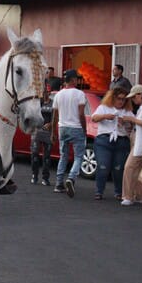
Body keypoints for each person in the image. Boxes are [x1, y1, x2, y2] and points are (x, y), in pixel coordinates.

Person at [91, 87, 135, 200]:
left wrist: (127, 121)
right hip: (104, 140)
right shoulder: (104, 107)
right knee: (103, 166)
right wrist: (105, 116)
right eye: (118, 98)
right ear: (112, 98)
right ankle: (99, 191)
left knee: (118, 168)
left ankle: (118, 192)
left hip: (121, 140)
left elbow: (134, 125)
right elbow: (94, 118)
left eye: (123, 99)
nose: (121, 101)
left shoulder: (127, 111)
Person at [51, 69, 86, 198]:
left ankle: (58, 184)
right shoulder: (79, 94)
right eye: (76, 78)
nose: (77, 80)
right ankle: (71, 178)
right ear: (72, 80)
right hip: (76, 127)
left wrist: (53, 132)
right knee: (78, 156)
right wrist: (84, 128)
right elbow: (81, 114)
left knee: (63, 155)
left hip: (62, 127)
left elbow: (55, 115)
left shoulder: (58, 95)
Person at [121, 85, 142, 207]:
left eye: (134, 96)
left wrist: (132, 119)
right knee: (139, 170)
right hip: (139, 140)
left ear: (141, 94)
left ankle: (129, 196)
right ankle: (138, 196)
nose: (133, 100)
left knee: (130, 168)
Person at [31, 90, 54, 186]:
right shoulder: (37, 103)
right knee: (35, 154)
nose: (45, 94)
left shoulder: (52, 103)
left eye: (47, 92)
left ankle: (45, 178)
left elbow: (56, 117)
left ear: (49, 93)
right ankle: (34, 175)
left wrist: (51, 124)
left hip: (47, 133)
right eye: (43, 92)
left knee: (47, 157)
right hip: (37, 132)